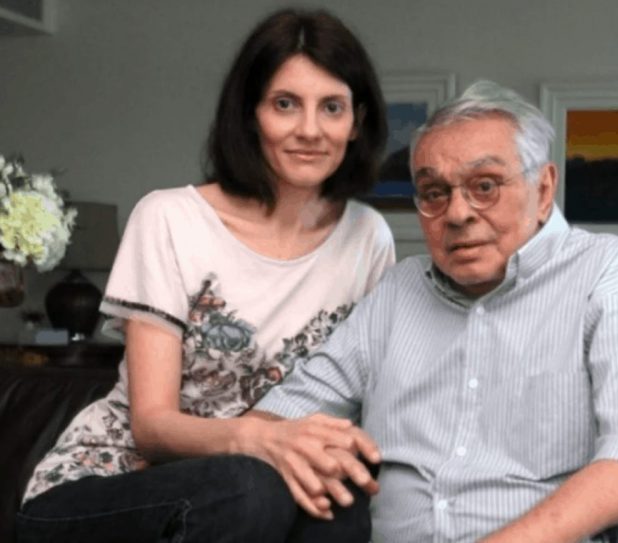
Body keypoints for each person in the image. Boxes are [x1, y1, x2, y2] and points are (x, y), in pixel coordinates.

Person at [246, 80, 618, 543]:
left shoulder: (607, 273)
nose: (457, 214)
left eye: (485, 186)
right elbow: (278, 420)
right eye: (434, 192)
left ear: (543, 190)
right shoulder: (398, 292)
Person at [17, 8, 394, 543]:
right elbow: (151, 427)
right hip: (105, 484)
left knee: (340, 502)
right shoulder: (169, 218)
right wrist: (264, 440)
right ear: (250, 114)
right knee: (249, 487)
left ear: (356, 122)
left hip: (260, 487)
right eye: (285, 104)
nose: (310, 130)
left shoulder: (367, 238)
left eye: (331, 107)